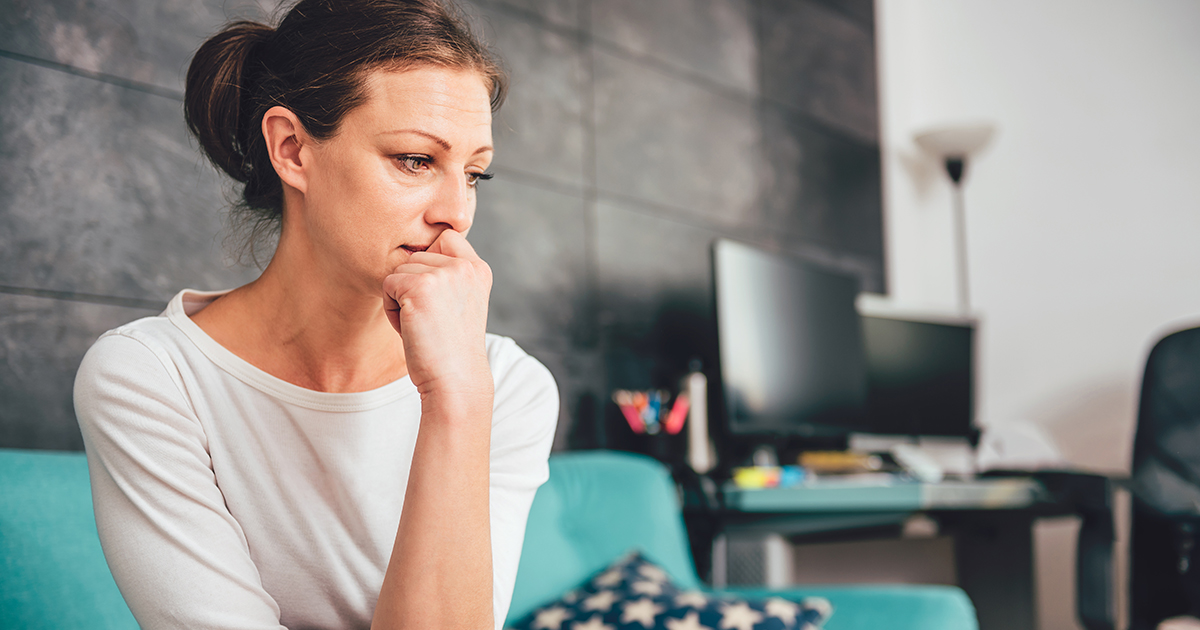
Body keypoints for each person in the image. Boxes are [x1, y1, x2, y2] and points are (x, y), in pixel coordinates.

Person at [72, 1, 559, 628]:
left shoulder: (508, 386)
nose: (457, 215)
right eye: (416, 160)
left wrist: (457, 398)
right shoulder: (149, 379)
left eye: (473, 175)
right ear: (293, 149)